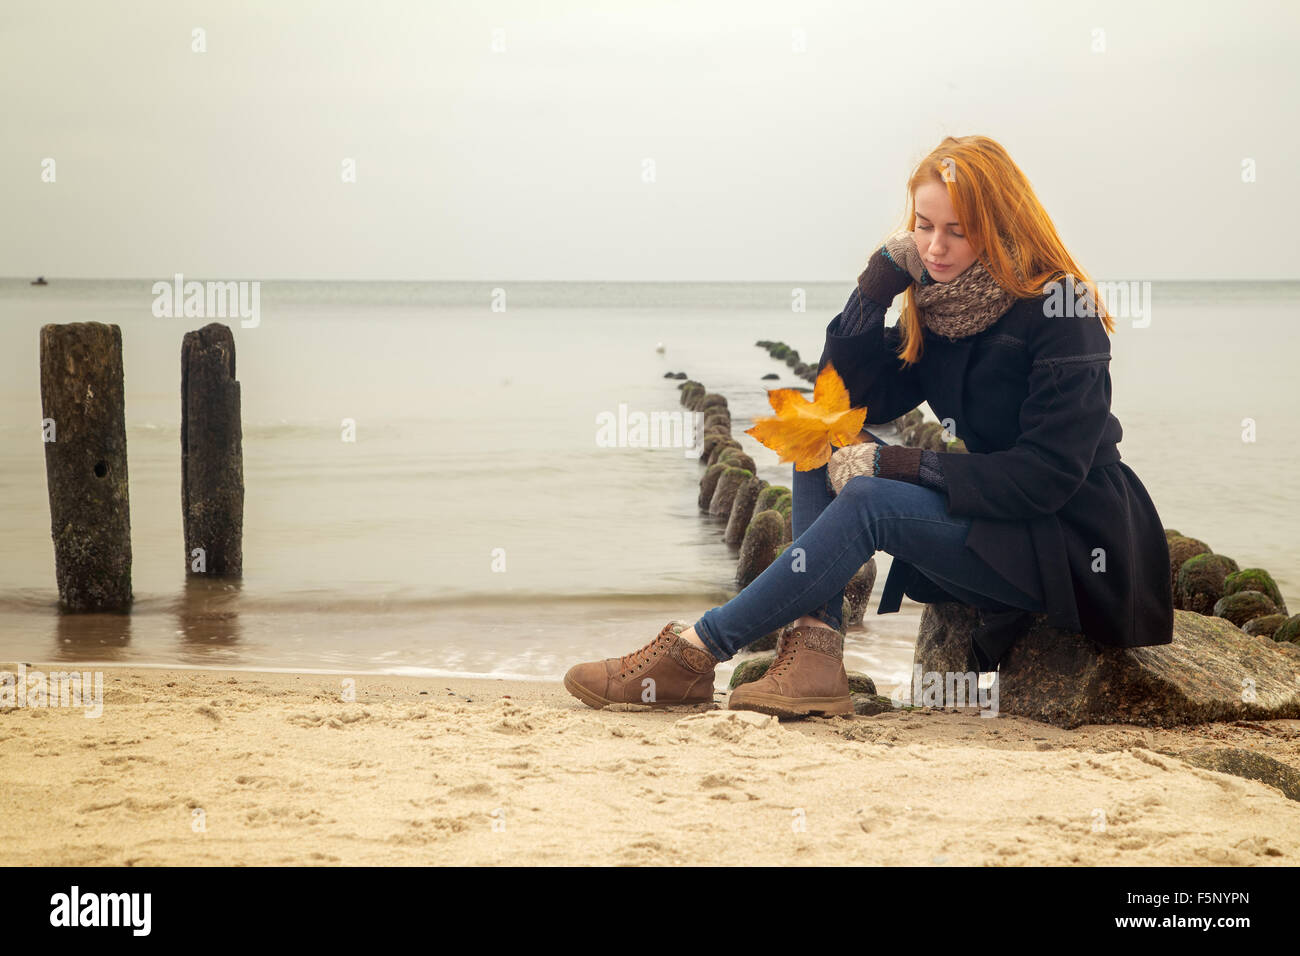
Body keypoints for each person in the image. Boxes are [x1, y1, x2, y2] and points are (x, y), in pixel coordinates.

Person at [563, 134, 1175, 718]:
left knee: (869, 498)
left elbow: (1047, 476)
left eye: (958, 231)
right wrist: (874, 288)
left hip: (1066, 539)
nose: (934, 247)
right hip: (996, 521)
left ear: (1001, 226)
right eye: (923, 226)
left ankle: (695, 653)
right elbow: (850, 394)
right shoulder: (942, 308)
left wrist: (896, 464)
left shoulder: (1061, 311)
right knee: (818, 434)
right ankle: (813, 656)